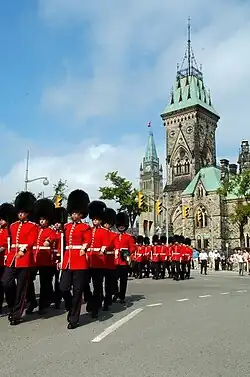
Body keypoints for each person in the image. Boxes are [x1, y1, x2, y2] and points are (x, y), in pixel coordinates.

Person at [2, 191, 38, 325]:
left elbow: (31, 240)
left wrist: (23, 249)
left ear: (28, 213)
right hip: (12, 257)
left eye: (23, 212)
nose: (21, 214)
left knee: (21, 288)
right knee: (6, 282)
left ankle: (17, 314)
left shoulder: (33, 226)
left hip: (25, 259)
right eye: (19, 212)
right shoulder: (12, 226)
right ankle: (12, 305)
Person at [60, 189, 91, 329]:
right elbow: (60, 240)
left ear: (81, 214)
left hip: (79, 261)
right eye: (72, 213)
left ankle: (74, 318)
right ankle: (70, 306)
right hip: (67, 260)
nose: (74, 215)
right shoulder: (65, 227)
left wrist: (84, 247)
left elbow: (88, 240)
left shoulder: (85, 227)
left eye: (77, 213)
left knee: (78, 291)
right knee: (63, 288)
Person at [32, 198, 57, 314]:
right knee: (28, 280)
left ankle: (42, 305)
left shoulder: (50, 231)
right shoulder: (35, 230)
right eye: (40, 219)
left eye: (44, 219)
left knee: (44, 283)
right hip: (34, 260)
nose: (42, 221)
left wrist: (48, 241)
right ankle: (32, 300)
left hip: (46, 261)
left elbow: (51, 238)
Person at [87, 200, 109, 318]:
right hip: (88, 260)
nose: (95, 221)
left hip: (99, 261)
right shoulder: (88, 230)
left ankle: (95, 306)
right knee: (85, 283)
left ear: (101, 220)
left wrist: (102, 250)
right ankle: (91, 300)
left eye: (97, 219)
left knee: (97, 285)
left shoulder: (104, 231)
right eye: (93, 219)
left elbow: (105, 243)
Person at [113, 212, 135, 303]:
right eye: (120, 225)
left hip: (124, 261)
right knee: (113, 280)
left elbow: (132, 248)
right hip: (115, 261)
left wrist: (126, 253)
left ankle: (122, 297)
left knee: (123, 281)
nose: (121, 227)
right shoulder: (114, 236)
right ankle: (115, 293)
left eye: (123, 225)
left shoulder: (129, 237)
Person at [0, 203, 16, 314]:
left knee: (7, 283)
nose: (0, 221)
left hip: (7, 260)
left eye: (2, 219)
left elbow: (7, 243)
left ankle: (12, 303)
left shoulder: (10, 230)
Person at [52, 206, 68, 309]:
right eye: (55, 222)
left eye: (58, 222)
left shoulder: (64, 233)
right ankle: (57, 299)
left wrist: (60, 259)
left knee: (61, 281)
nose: (57, 224)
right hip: (53, 260)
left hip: (62, 259)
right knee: (56, 281)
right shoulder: (53, 232)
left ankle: (65, 300)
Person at [102, 208, 117, 311]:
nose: (107, 225)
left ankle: (107, 300)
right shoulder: (98, 233)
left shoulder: (113, 235)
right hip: (100, 261)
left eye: (109, 223)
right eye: (105, 223)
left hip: (110, 261)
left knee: (108, 283)